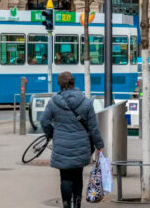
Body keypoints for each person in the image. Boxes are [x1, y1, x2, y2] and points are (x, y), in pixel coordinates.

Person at [41, 71, 104, 208]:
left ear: (60, 84)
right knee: (78, 175)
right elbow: (93, 128)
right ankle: (77, 203)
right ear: (73, 83)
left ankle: (66, 204)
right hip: (81, 145)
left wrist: (52, 134)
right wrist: (100, 145)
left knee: (65, 177)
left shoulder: (53, 102)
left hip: (61, 146)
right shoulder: (85, 102)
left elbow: (44, 121)